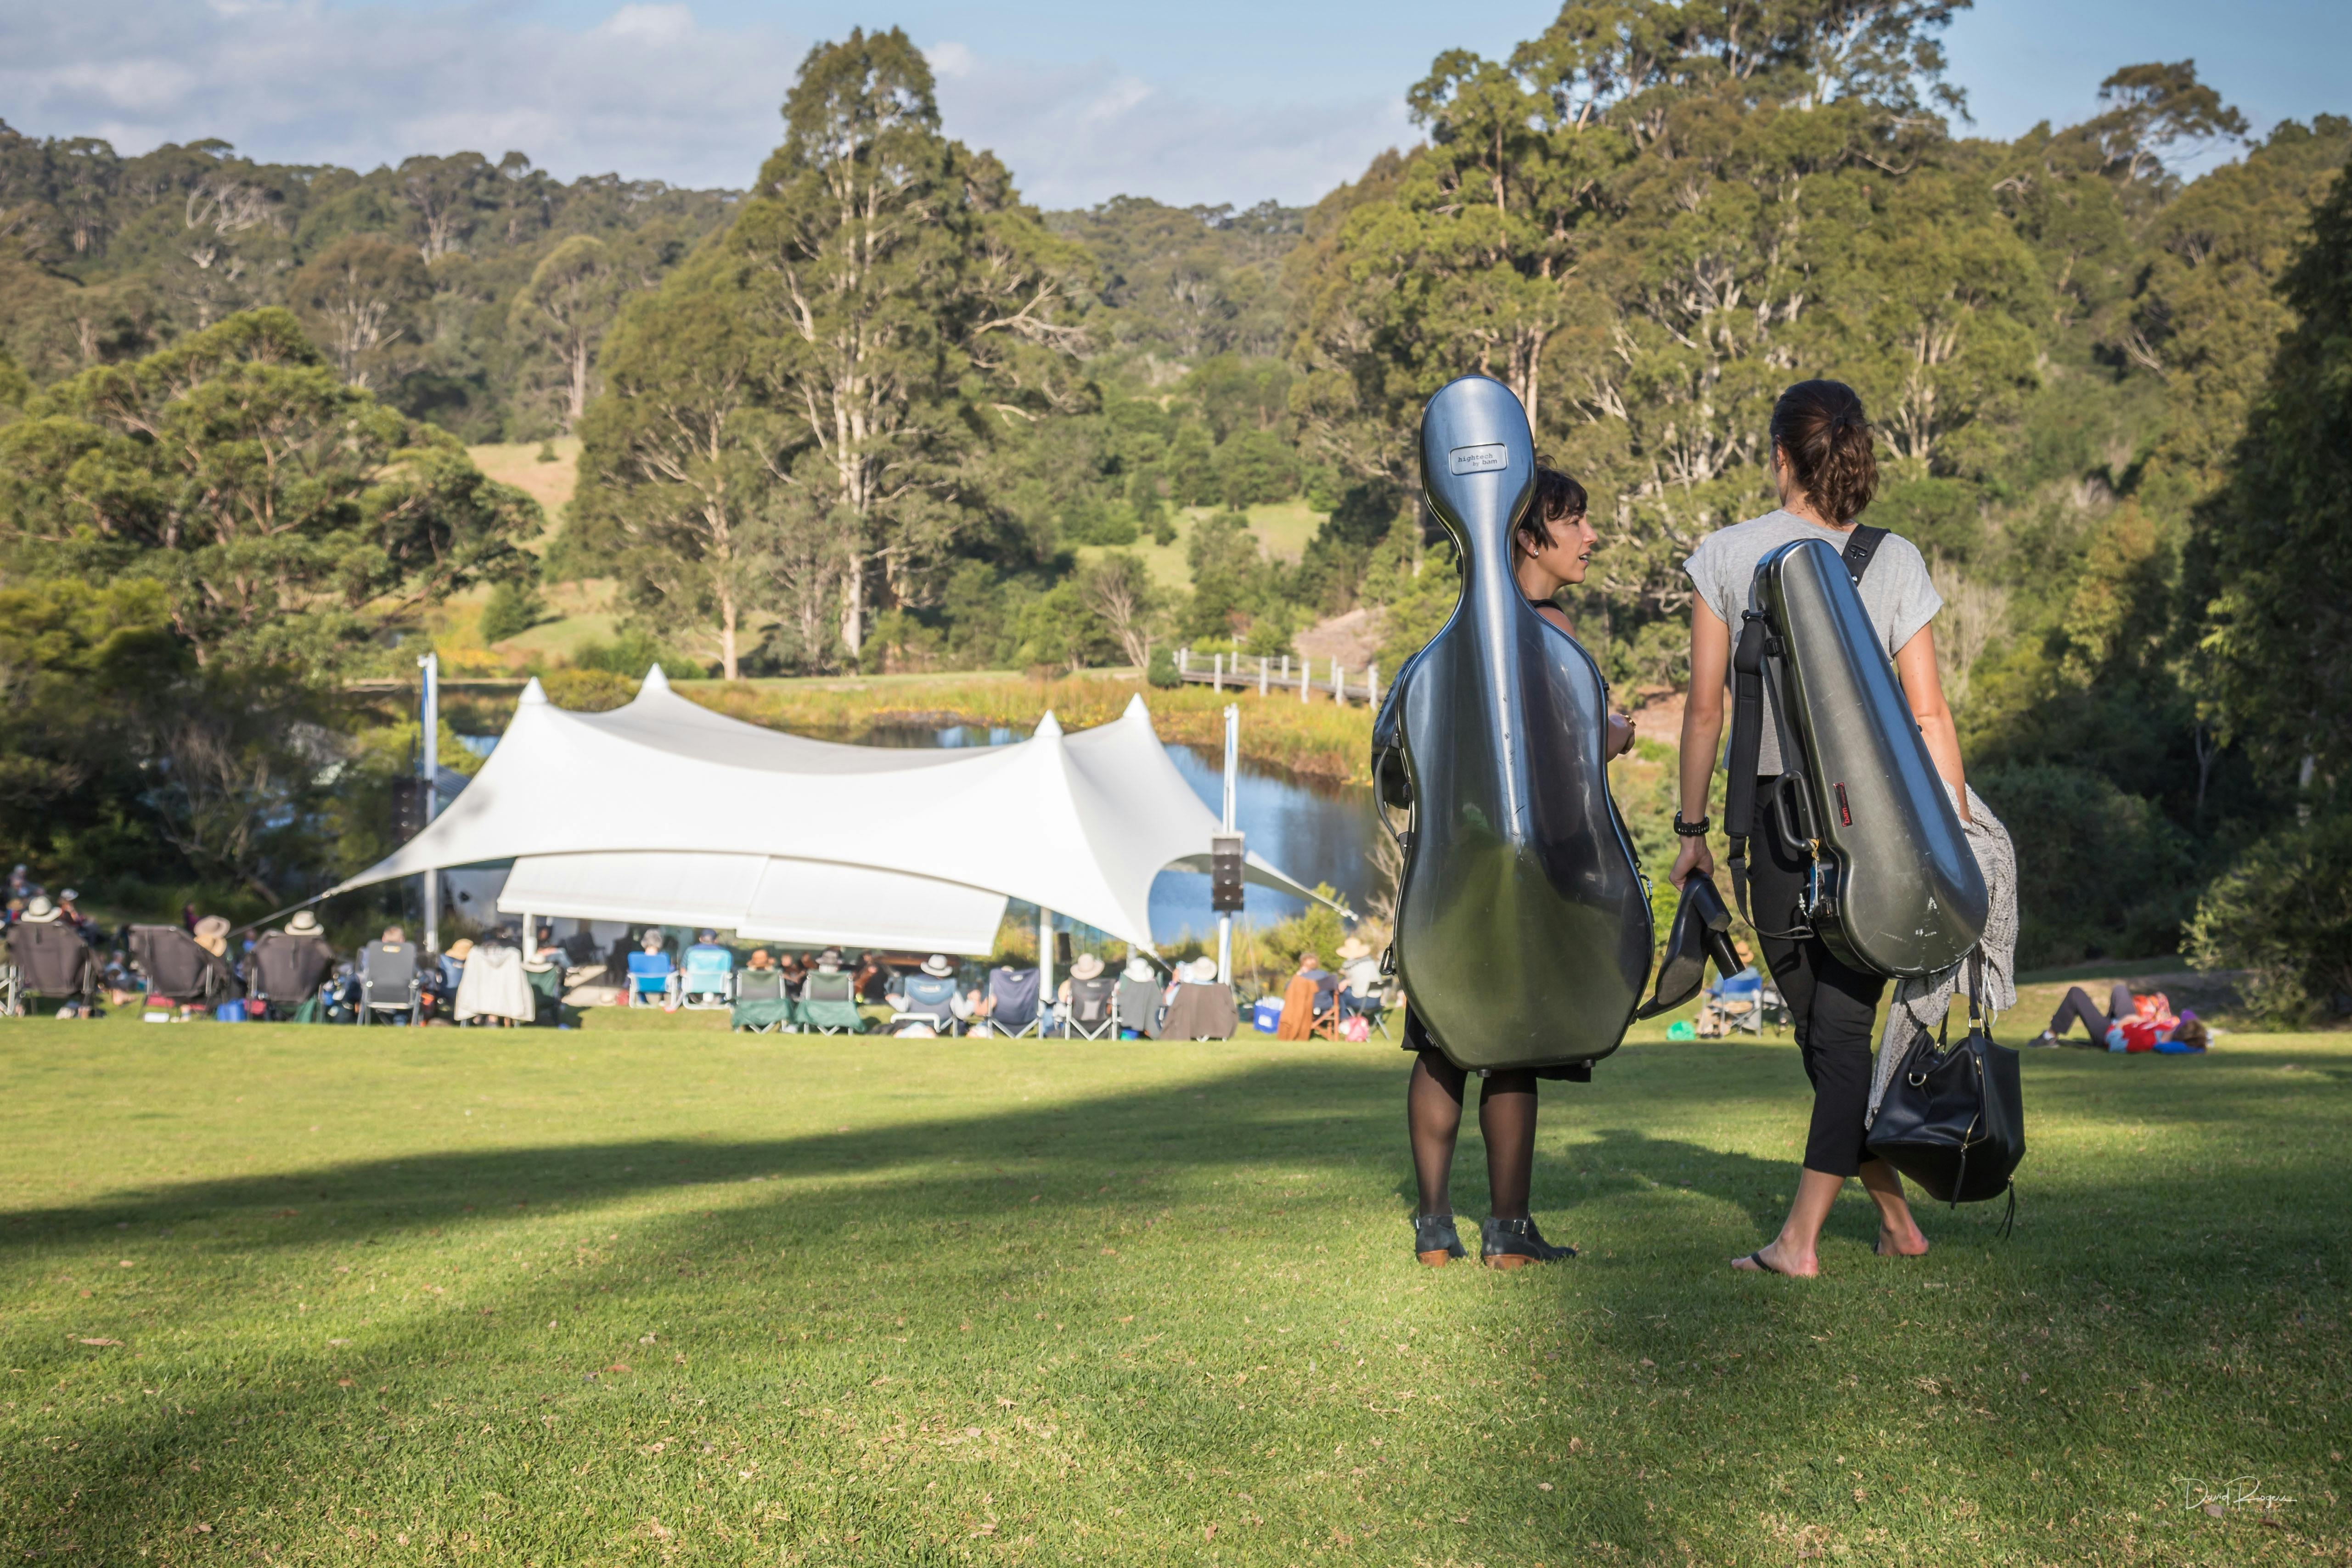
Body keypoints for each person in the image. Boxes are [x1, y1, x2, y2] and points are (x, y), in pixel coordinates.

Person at [1669, 379, 1964, 1278]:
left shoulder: (1727, 553)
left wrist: (1689, 830)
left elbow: (1704, 711)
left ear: (1778, 456)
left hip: (1774, 833)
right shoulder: (1891, 559)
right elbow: (1927, 718)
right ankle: (1895, 1221)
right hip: (1882, 830)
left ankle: (1797, 1244)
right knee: (1822, 1037)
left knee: (1830, 1034)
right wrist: (1947, 843)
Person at [1406, 460, 1636, 1271]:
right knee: (1510, 1039)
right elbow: (1567, 753)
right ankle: (1507, 1233)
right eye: (1572, 522)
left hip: (1452, 869)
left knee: (1441, 1035)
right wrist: (1617, 732)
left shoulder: (1461, 631)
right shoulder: (1551, 630)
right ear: (1529, 534)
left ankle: (1434, 1231)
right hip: (1530, 869)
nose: (1589, 537)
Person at [626, 930, 676, 1009]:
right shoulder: (663, 958)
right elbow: (670, 970)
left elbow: (631, 972)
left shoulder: (635, 958)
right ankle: (665, 1001)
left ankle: (641, 1000)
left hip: (641, 985)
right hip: (661, 985)